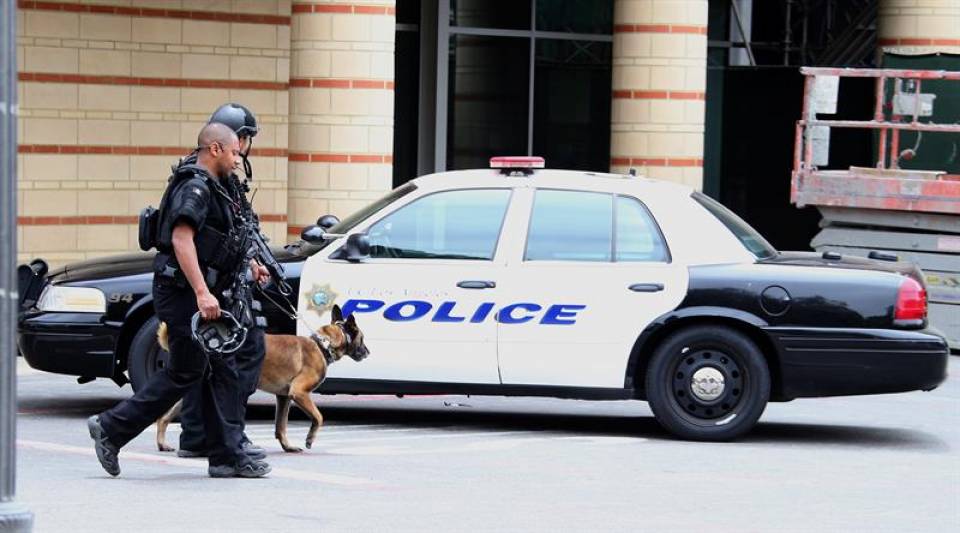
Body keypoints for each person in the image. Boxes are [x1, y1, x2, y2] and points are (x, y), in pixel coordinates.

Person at [87, 123, 271, 478]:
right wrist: (203, 293)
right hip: (185, 292)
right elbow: (183, 240)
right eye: (234, 152)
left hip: (196, 289)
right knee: (223, 370)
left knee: (188, 372)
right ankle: (228, 455)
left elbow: (220, 237)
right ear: (215, 149)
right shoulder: (195, 188)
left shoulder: (219, 188)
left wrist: (250, 262)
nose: (238, 159)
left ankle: (112, 428)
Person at [174, 103, 268, 460]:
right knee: (240, 355)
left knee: (204, 364)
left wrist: (252, 260)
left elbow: (239, 228)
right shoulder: (202, 181)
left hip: (220, 280)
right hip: (210, 284)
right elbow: (191, 237)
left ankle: (201, 436)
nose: (243, 148)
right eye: (243, 139)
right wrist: (203, 290)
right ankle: (226, 439)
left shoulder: (222, 178)